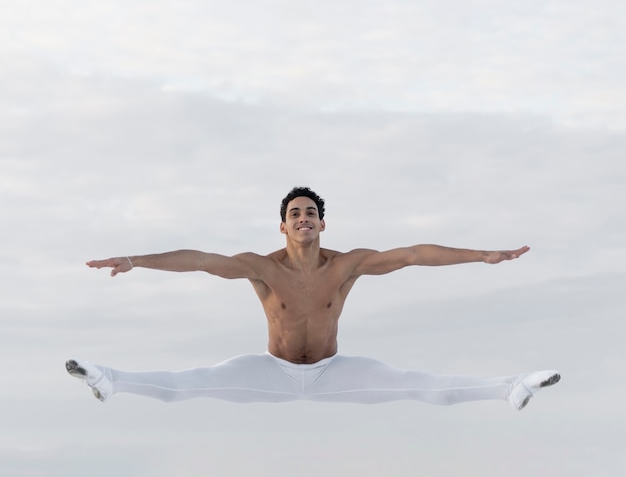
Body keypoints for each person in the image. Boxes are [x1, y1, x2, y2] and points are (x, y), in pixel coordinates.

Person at [66, 186, 560, 410]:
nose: (303, 218)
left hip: (335, 372)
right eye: (294, 213)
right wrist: (135, 260)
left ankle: (511, 386)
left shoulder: (347, 265)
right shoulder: (261, 267)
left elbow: (411, 254)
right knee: (187, 384)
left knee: (423, 387)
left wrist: (483, 255)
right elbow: (200, 259)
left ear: (322, 223)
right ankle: (110, 380)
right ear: (282, 225)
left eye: (311, 213)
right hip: (271, 371)